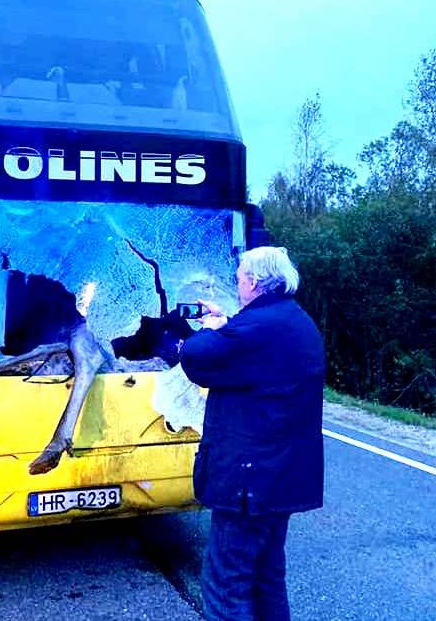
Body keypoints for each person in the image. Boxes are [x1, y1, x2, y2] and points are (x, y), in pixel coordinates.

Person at [179, 246, 325, 621]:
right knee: (267, 579)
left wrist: (213, 329)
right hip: (283, 479)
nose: (237, 282)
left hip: (249, 481)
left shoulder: (256, 328)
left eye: (240, 276)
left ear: (255, 282)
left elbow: (195, 356)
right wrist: (229, 324)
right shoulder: (294, 320)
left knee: (226, 587)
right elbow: (251, 357)